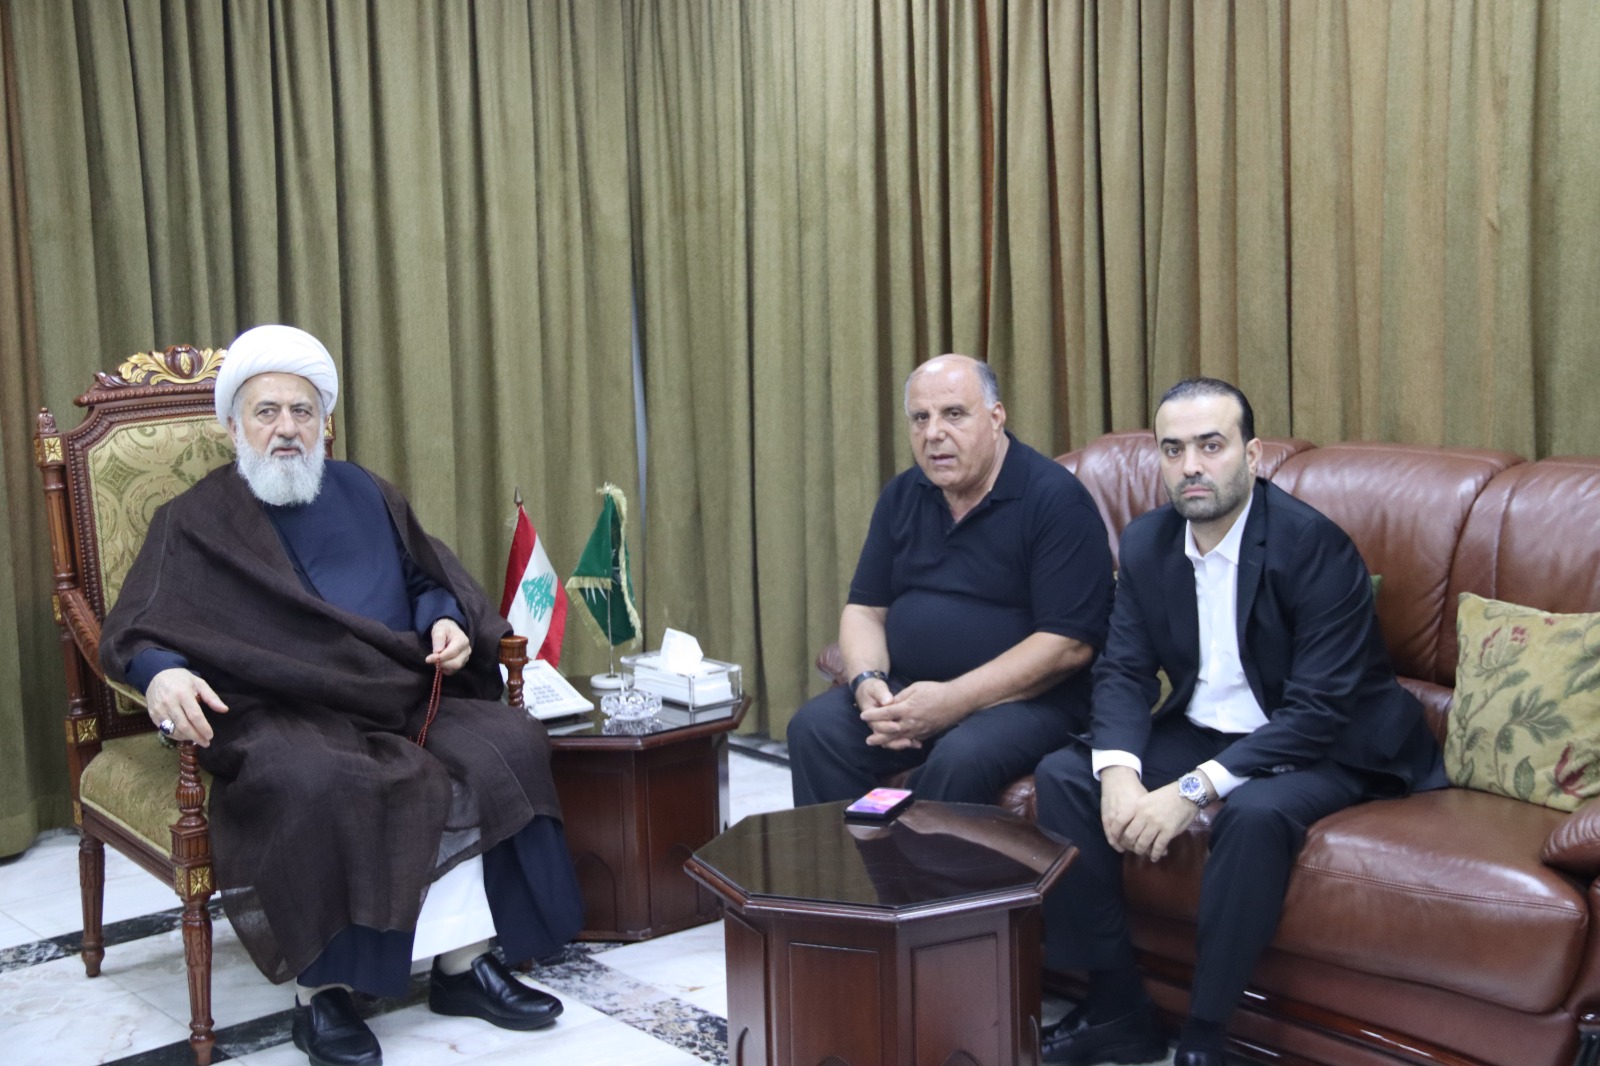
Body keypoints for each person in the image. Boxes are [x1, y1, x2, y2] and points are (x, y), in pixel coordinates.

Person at [101, 325, 584, 1066]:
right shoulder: (193, 520)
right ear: (232, 427)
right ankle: (321, 993)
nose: (286, 428)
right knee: (319, 778)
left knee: (506, 744)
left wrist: (447, 621)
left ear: (324, 424)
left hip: (396, 688)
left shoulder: (366, 491)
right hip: (274, 707)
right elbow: (137, 624)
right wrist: (162, 672)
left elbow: (428, 577)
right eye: (266, 412)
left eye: (303, 412)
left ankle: (464, 966)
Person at [1033, 378, 1446, 1066]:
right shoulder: (1147, 543)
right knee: (1067, 776)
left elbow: (1317, 712)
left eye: (1211, 445)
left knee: (1253, 815)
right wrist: (1120, 775)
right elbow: (1124, 672)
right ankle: (1116, 1005)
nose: (1191, 466)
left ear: (1251, 456)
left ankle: (1204, 1036)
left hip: (1332, 741)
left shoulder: (1313, 546)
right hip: (1211, 726)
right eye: (1173, 450)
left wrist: (1192, 789)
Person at [788, 354, 1114, 806]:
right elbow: (865, 609)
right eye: (920, 418)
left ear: (996, 418)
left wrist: (951, 701)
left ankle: (915, 855)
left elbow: (1067, 645)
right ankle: (846, 854)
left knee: (961, 758)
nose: (933, 433)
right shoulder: (903, 494)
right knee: (815, 729)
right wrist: (867, 683)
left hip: (1030, 702)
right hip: (912, 687)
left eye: (954, 414)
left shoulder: (1055, 501)